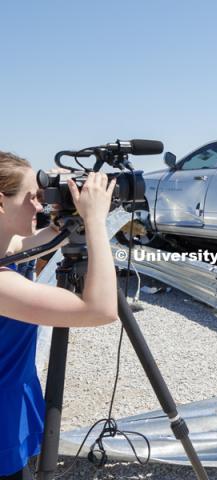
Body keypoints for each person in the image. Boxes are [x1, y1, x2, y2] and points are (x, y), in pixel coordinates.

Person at [0, 151, 118, 479]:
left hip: (11, 402)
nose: (39, 205)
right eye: (32, 197)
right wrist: (95, 221)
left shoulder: (8, 248)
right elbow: (100, 310)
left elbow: (39, 241)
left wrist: (67, 207)